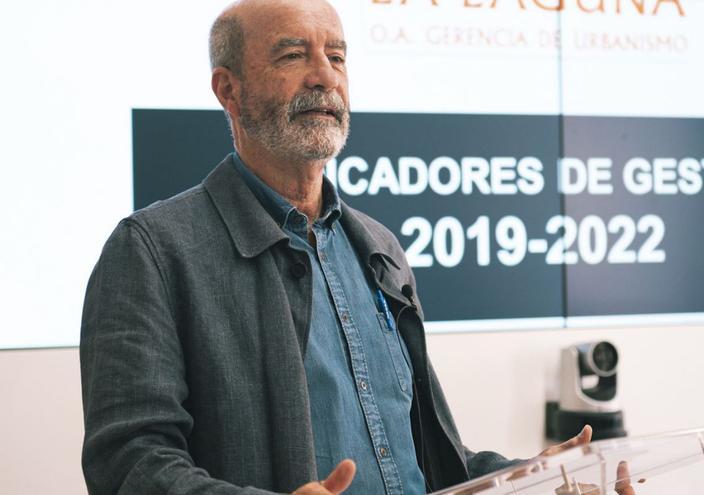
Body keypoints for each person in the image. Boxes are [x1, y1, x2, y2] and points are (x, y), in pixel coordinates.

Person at [79, 0, 636, 494]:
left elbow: (426, 464)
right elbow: (128, 466)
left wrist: (530, 478)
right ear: (229, 89)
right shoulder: (151, 252)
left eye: (338, 57)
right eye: (293, 55)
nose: (325, 77)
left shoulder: (380, 249)